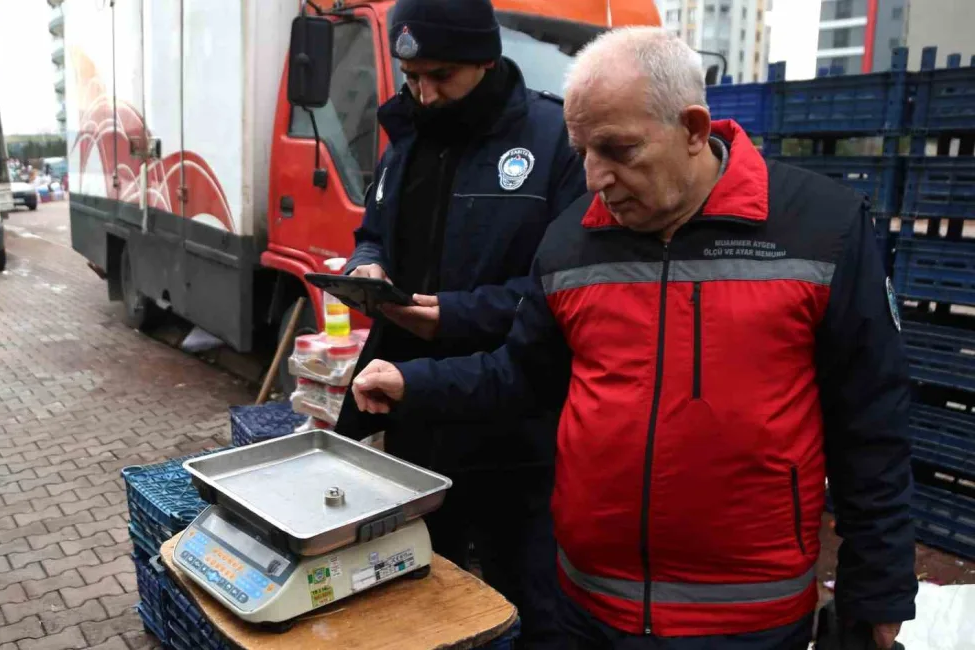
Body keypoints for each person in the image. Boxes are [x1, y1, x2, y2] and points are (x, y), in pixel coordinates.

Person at [351, 27, 916, 650]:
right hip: (588, 608)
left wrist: (877, 592)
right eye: (583, 150)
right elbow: (523, 374)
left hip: (746, 621)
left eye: (618, 151)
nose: (595, 177)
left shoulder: (821, 229)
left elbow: (872, 423)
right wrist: (414, 382)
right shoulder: (571, 240)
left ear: (695, 129)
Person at [335, 0, 586, 646]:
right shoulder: (406, 145)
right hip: (418, 414)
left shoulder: (553, 141)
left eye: (440, 75)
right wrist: (367, 267)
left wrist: (453, 316)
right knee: (428, 593)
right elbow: (372, 232)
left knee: (526, 602)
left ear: (485, 58)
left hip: (518, 431)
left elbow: (561, 293)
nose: (425, 94)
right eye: (412, 77)